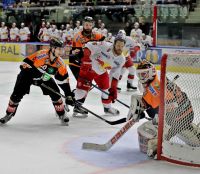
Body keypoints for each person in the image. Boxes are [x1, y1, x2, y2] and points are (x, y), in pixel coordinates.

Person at [127, 60, 199, 157]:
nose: (141, 77)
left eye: (143, 74)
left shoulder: (157, 85)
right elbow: (154, 100)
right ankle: (190, 130)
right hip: (181, 113)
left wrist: (159, 119)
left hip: (180, 116)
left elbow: (173, 106)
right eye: (139, 75)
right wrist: (142, 106)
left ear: (151, 72)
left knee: (150, 129)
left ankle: (158, 147)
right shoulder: (152, 81)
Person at [0, 38, 74, 126]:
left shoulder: (60, 63)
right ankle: (8, 114)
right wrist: (35, 77)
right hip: (26, 76)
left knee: (56, 94)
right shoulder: (41, 55)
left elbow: (63, 80)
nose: (61, 51)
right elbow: (24, 64)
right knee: (16, 96)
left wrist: (68, 95)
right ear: (53, 48)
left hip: (43, 77)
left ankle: (61, 114)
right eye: (59, 48)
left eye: (62, 49)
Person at [72, 34, 126, 118]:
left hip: (101, 72)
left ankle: (107, 108)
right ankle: (71, 98)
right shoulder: (105, 45)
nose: (120, 47)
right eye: (118, 45)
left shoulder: (121, 59)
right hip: (89, 68)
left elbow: (114, 74)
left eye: (122, 46)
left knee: (106, 89)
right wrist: (86, 60)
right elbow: (89, 46)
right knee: (81, 93)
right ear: (114, 44)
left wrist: (113, 88)